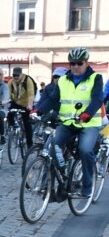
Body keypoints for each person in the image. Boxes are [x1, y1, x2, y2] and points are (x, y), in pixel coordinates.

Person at [33, 47, 103, 197]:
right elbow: (53, 99)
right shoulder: (64, 79)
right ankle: (49, 185)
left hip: (88, 124)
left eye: (79, 63)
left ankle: (87, 187)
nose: (76, 66)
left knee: (85, 150)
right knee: (52, 147)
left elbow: (97, 99)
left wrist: (87, 114)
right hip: (68, 123)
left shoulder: (95, 78)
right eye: (72, 63)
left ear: (86, 63)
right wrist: (38, 110)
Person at [7, 66, 36, 148]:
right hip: (15, 102)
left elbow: (31, 94)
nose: (15, 77)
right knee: (9, 114)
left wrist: (29, 105)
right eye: (14, 75)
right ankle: (13, 129)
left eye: (17, 75)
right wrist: (5, 101)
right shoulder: (10, 82)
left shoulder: (27, 80)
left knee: (27, 123)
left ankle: (29, 144)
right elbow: (7, 94)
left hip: (25, 103)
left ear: (21, 74)